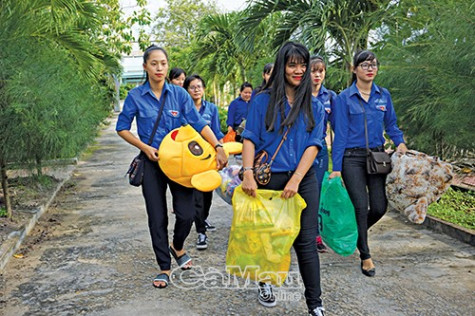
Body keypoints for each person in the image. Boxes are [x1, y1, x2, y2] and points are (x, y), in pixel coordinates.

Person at [116, 45, 227, 289]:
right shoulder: (136, 96)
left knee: (187, 214)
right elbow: (122, 127)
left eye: (163, 63)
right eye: (154, 63)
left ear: (167, 66)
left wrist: (218, 146)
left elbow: (198, 123)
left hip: (181, 165)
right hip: (152, 163)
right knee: (157, 217)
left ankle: (177, 246)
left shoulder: (179, 95)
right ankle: (164, 267)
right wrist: (144, 148)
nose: (159, 68)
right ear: (145, 66)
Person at [241, 41, 326, 316]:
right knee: (270, 237)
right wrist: (248, 173)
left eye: (303, 64)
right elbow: (250, 137)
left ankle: (315, 304)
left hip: (304, 178)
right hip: (269, 179)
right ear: (282, 67)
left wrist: (297, 179)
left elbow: (314, 144)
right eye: (292, 64)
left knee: (306, 240)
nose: (299, 70)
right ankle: (265, 282)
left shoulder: (314, 105)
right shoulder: (262, 101)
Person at [329, 50, 407, 277]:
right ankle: (365, 255)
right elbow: (340, 134)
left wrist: (399, 142)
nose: (370, 68)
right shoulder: (344, 98)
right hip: (352, 159)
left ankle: (355, 233)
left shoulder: (383, 95)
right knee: (360, 206)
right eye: (364, 65)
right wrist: (336, 168)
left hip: (377, 158)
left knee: (380, 206)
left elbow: (391, 124)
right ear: (354, 69)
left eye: (373, 65)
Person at [183, 74, 224, 250]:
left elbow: (215, 131)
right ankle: (201, 232)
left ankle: (202, 219)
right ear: (187, 90)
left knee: (207, 195)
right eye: (192, 87)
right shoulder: (183, 109)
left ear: (204, 89)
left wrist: (221, 149)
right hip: (189, 159)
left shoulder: (212, 109)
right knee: (196, 196)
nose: (196, 90)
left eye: (199, 86)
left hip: (207, 159)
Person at [310, 55, 336, 253]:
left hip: (319, 154)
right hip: (298, 152)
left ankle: (316, 235)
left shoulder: (330, 97)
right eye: (313, 71)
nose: (317, 75)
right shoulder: (298, 95)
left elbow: (337, 129)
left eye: (321, 71)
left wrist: (337, 163)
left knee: (317, 193)